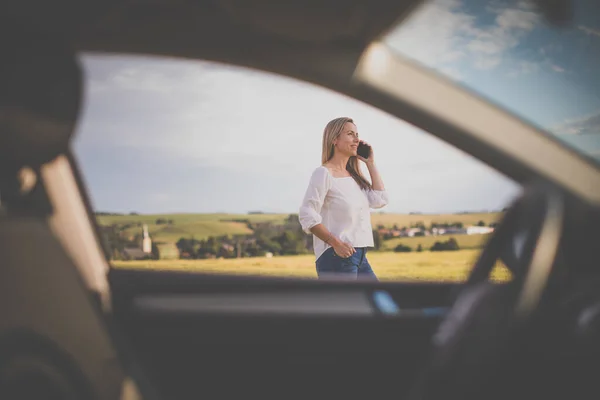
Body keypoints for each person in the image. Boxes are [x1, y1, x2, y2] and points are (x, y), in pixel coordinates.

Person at [299, 117, 389, 280]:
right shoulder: (324, 173)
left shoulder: (354, 176)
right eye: (350, 134)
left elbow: (380, 199)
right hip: (336, 256)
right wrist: (335, 243)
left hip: (360, 257)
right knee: (347, 305)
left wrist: (370, 163)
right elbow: (307, 213)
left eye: (357, 134)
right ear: (334, 139)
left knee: (375, 300)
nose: (357, 139)